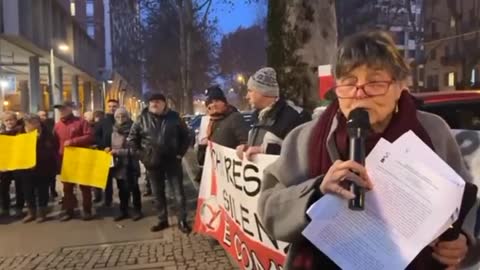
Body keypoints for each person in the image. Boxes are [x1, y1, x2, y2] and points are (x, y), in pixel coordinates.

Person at [257, 31, 479, 269]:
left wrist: (462, 241)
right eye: (349, 82)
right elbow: (269, 209)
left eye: (375, 82)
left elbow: (463, 202)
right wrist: (316, 192)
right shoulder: (303, 138)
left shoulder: (433, 131)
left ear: (399, 86)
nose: (360, 93)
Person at [127, 92, 191, 233]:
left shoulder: (174, 117)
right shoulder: (141, 119)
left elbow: (186, 136)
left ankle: (182, 220)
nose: (155, 104)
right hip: (152, 163)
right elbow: (131, 140)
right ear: (149, 104)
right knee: (157, 194)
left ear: (164, 103)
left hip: (172, 161)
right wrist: (143, 157)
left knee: (178, 193)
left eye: (158, 101)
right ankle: (162, 220)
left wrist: (180, 153)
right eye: (152, 102)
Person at [237, 67, 311, 160]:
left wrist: (265, 150)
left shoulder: (296, 116)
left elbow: (303, 153)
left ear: (263, 92)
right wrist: (247, 148)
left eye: (250, 91)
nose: (247, 96)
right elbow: (257, 146)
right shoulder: (256, 117)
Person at [54, 101, 94, 221]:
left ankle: (87, 210)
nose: (61, 111)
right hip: (65, 160)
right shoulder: (57, 125)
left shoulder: (81, 122)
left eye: (63, 109)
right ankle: (69, 211)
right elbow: (55, 142)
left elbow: (90, 136)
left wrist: (73, 141)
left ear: (70, 109)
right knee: (67, 188)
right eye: (59, 109)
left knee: (85, 186)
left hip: (80, 157)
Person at [106, 107, 143, 221]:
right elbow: (112, 146)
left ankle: (137, 210)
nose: (120, 118)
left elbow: (135, 150)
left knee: (134, 188)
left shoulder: (134, 130)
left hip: (131, 165)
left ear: (127, 117)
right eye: (118, 116)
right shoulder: (114, 131)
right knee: (122, 189)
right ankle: (124, 210)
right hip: (119, 165)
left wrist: (117, 152)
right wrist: (109, 149)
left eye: (123, 116)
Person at [22, 114, 58, 223]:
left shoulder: (47, 133)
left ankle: (42, 213)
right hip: (26, 168)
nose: (33, 125)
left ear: (38, 122)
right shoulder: (20, 132)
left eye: (35, 122)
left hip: (43, 167)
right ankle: (31, 213)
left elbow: (52, 149)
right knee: (28, 191)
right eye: (30, 123)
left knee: (43, 191)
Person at [0, 111, 25, 218]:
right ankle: (5, 208)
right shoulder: (1, 134)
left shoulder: (21, 132)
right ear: (3, 122)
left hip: (18, 164)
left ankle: (19, 208)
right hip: (5, 165)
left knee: (20, 187)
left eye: (11, 119)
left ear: (15, 120)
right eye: (6, 120)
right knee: (3, 187)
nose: (9, 122)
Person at [94, 100, 119, 207]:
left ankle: (124, 200)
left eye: (114, 106)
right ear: (107, 107)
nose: (112, 108)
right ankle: (108, 199)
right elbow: (96, 136)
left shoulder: (122, 120)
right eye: (110, 106)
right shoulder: (102, 122)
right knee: (107, 179)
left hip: (120, 153)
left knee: (121, 179)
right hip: (106, 154)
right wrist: (104, 146)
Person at [38, 110, 58, 199]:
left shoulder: (51, 124)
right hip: (39, 157)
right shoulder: (35, 126)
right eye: (41, 115)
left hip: (50, 154)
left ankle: (53, 190)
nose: (43, 117)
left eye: (44, 115)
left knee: (52, 176)